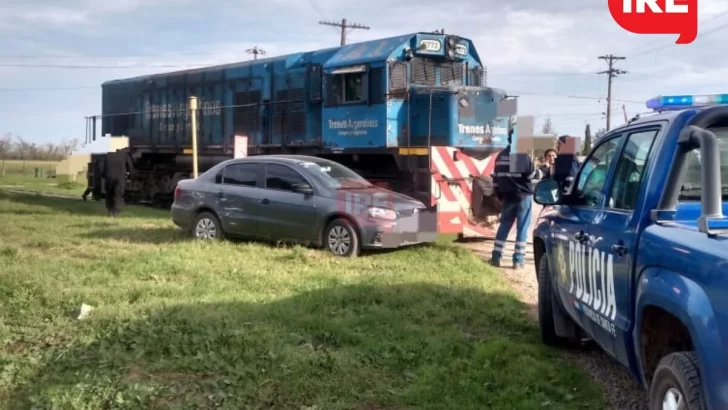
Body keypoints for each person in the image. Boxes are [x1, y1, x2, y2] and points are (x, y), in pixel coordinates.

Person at [489, 130, 534, 270]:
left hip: (507, 197)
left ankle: (496, 257)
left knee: (504, 226)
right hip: (523, 197)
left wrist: (499, 195)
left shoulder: (500, 156)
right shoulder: (521, 155)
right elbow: (531, 176)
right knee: (522, 228)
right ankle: (518, 261)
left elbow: (495, 179)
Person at [101, 148, 134, 217]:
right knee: (118, 195)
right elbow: (130, 167)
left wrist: (104, 175)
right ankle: (115, 212)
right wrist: (131, 176)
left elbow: (101, 166)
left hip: (109, 177)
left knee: (109, 194)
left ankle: (109, 211)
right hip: (120, 178)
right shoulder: (124, 155)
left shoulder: (107, 154)